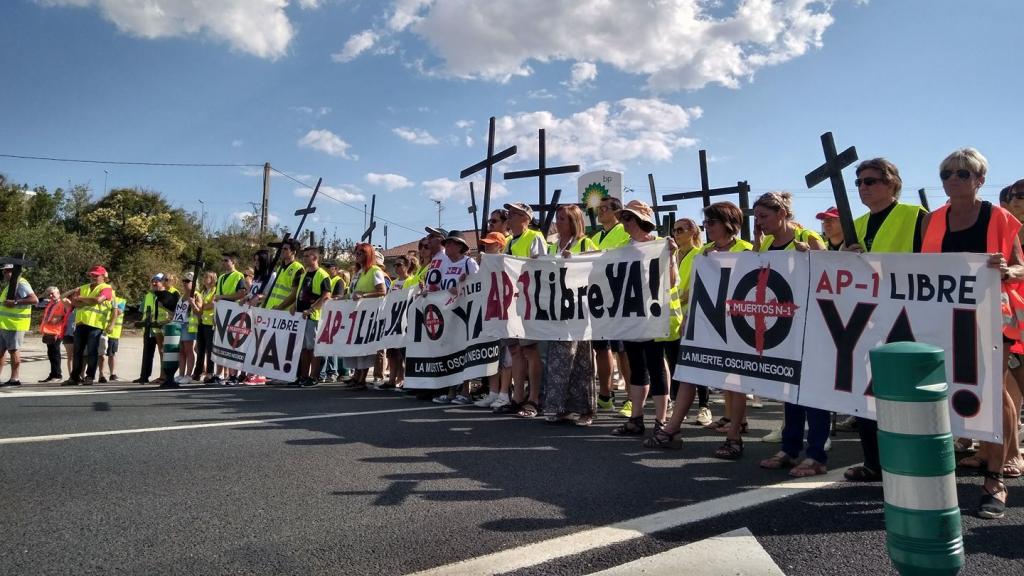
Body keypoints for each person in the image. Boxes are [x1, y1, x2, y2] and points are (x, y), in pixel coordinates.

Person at [919, 148, 1023, 519]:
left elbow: (1021, 267)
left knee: (994, 394)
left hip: (992, 317)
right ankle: (950, 463)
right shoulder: (931, 220)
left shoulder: (1000, 217)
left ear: (980, 180)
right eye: (946, 173)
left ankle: (995, 479)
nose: (952, 179)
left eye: (963, 174)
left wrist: (1008, 272)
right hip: (943, 316)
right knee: (945, 388)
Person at [839, 158, 927, 481]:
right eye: (860, 182)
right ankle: (873, 462)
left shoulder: (916, 217)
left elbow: (934, 262)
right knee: (867, 393)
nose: (863, 187)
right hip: (867, 318)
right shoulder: (858, 224)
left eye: (871, 181)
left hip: (907, 317)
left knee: (905, 394)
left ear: (891, 183)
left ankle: (910, 461)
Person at [751, 192, 828, 473]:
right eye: (756, 218)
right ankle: (790, 447)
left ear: (782, 213)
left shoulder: (807, 237)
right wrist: (757, 247)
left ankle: (817, 454)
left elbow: (828, 274)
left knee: (812, 392)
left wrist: (812, 257)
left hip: (811, 324)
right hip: (783, 326)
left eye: (764, 217)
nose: (759, 223)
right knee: (790, 391)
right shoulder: (769, 243)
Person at [608, 200, 675, 437]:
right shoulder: (623, 247)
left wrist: (670, 255)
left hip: (652, 316)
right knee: (637, 367)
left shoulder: (660, 245)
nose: (623, 222)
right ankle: (636, 419)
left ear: (639, 221)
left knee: (656, 366)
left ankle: (661, 420)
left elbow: (672, 281)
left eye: (627, 217)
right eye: (623, 217)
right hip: (630, 314)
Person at [542, 205, 599, 425]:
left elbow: (597, 267)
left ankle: (585, 410)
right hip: (557, 311)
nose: (558, 222)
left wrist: (574, 259)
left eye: (563, 218)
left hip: (580, 311)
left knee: (581, 361)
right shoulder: (552, 246)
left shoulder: (585, 243)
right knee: (558, 359)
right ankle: (560, 407)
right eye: (557, 218)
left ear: (574, 221)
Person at [502, 203, 548, 417]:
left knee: (530, 351)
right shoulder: (509, 241)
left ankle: (534, 399)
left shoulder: (535, 237)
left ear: (526, 218)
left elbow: (540, 268)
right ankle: (517, 397)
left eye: (513, 214)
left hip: (528, 301)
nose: (508, 218)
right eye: (508, 214)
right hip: (511, 303)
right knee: (515, 351)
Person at [590, 195, 633, 414]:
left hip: (619, 299)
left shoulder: (623, 232)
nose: (600, 212)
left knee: (622, 350)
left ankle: (631, 398)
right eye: (599, 208)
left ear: (617, 212)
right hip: (599, 300)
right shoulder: (596, 236)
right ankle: (606, 395)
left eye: (605, 208)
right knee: (601, 349)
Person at [430, 230, 481, 404]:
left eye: (451, 243)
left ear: (460, 246)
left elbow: (478, 285)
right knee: (449, 350)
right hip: (447, 313)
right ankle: (451, 391)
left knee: (463, 351)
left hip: (464, 312)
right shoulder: (444, 265)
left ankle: (465, 391)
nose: (448, 246)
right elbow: (439, 286)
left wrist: (462, 285)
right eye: (447, 243)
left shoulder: (469, 263)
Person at [473, 232, 516, 410]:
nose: (487, 247)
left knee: (507, 357)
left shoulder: (507, 261)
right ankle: (493, 392)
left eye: (491, 244)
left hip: (505, 314)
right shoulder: (485, 264)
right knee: (492, 356)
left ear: (500, 245)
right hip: (491, 314)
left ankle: (504, 393)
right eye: (485, 244)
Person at [340, 243, 387, 390]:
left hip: (368, 315)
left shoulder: (375, 271)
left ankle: (362, 379)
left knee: (364, 348)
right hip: (355, 315)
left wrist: (364, 295)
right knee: (355, 347)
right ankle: (356, 376)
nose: (357, 254)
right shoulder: (359, 272)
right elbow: (354, 293)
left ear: (368, 254)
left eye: (361, 252)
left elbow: (382, 291)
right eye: (357, 252)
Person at [291, 246, 332, 387]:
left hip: (313, 317)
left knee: (313, 348)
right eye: (304, 255)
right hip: (301, 316)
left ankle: (313, 376)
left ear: (315, 257)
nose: (304, 258)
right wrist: (295, 306)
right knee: (303, 349)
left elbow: (326, 296)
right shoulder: (304, 274)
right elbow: (301, 293)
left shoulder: (322, 275)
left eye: (307, 256)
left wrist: (312, 309)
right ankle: (303, 376)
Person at [66, 265, 114, 386]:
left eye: (96, 275)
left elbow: (98, 300)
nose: (93, 277)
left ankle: (90, 376)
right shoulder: (83, 287)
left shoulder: (107, 288)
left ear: (104, 277)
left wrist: (82, 299)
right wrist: (86, 300)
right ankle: (74, 377)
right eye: (92, 275)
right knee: (77, 352)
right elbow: (74, 302)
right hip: (81, 323)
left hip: (95, 324)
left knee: (92, 352)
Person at [212, 252, 248, 384]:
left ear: (233, 262)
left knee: (233, 344)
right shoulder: (221, 277)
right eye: (223, 260)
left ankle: (233, 375)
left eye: (227, 260)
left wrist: (223, 297)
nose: (224, 262)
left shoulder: (238, 276)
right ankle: (219, 374)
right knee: (220, 343)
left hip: (233, 314)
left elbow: (241, 293)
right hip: (221, 314)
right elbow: (217, 296)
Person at [0, 263, 39, 387]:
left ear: (14, 271)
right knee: (1, 351)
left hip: (14, 325)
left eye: (7, 271)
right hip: (4, 324)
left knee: (13, 350)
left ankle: (15, 378)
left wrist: (16, 302)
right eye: (4, 271)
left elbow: (34, 299)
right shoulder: (11, 285)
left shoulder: (21, 283)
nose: (5, 274)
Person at [382, 255, 415, 390]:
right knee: (392, 352)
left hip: (405, 321)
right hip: (393, 321)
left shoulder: (411, 281)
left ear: (407, 266)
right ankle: (391, 379)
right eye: (395, 265)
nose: (396, 267)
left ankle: (404, 379)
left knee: (404, 352)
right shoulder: (394, 282)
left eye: (399, 265)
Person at [38, 285, 69, 383]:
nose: (51, 295)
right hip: (48, 331)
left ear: (58, 293)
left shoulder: (62, 302)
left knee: (55, 354)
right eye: (49, 294)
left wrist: (60, 317)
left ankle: (57, 375)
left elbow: (68, 313)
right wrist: (44, 293)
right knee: (51, 354)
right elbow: (37, 302)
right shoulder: (49, 303)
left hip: (56, 331)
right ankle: (52, 374)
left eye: (53, 293)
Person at [192, 271, 218, 383]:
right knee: (200, 349)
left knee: (210, 349)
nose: (204, 278)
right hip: (201, 322)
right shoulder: (202, 291)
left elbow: (212, 304)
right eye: (204, 276)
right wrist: (201, 307)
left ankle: (210, 372)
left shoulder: (215, 290)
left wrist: (201, 307)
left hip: (210, 323)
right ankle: (197, 372)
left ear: (212, 279)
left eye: (206, 276)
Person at [174, 272, 198, 384]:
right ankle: (181, 373)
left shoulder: (196, 294)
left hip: (189, 324)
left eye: (187, 281)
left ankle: (189, 375)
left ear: (193, 283)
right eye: (183, 281)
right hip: (179, 324)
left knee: (189, 349)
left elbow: (199, 310)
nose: (184, 283)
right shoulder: (182, 295)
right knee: (181, 350)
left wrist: (193, 304)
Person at [99, 292, 126, 382]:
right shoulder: (101, 300)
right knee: (101, 354)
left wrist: (112, 305)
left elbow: (119, 311)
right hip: (102, 330)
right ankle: (101, 374)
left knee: (111, 354)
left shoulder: (120, 300)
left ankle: (112, 374)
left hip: (114, 332)